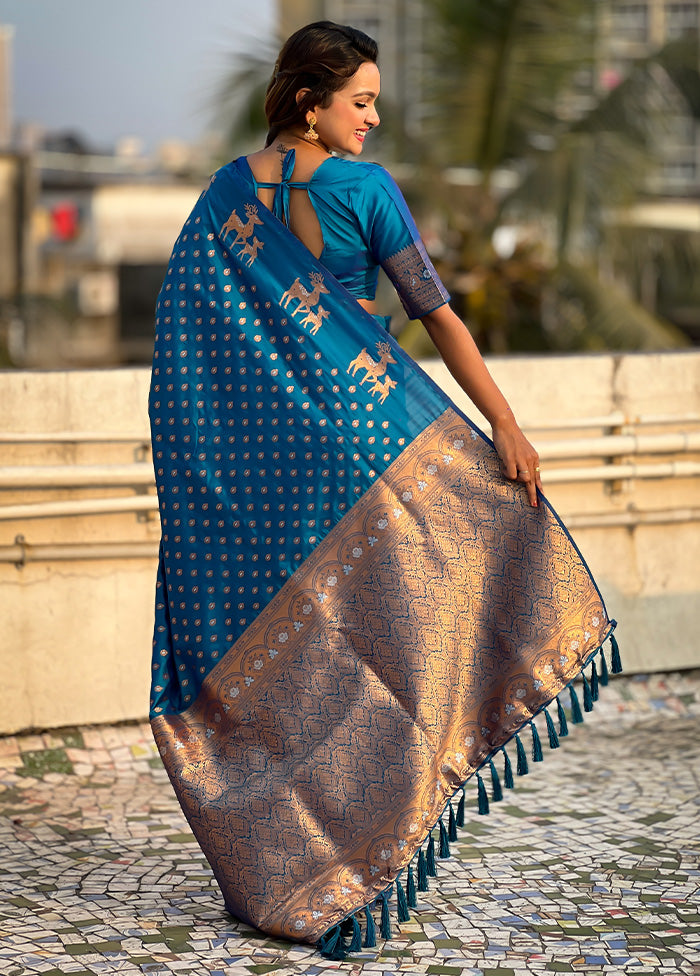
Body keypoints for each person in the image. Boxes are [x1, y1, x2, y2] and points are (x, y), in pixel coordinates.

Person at [149, 21, 619, 958]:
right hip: (370, 457)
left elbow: (186, 347)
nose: (374, 116)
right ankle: (372, 848)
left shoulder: (224, 198)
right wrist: (505, 426)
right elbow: (436, 316)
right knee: (397, 638)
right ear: (308, 105)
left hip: (267, 474)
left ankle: (292, 868)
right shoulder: (365, 190)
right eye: (359, 100)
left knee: (301, 658)